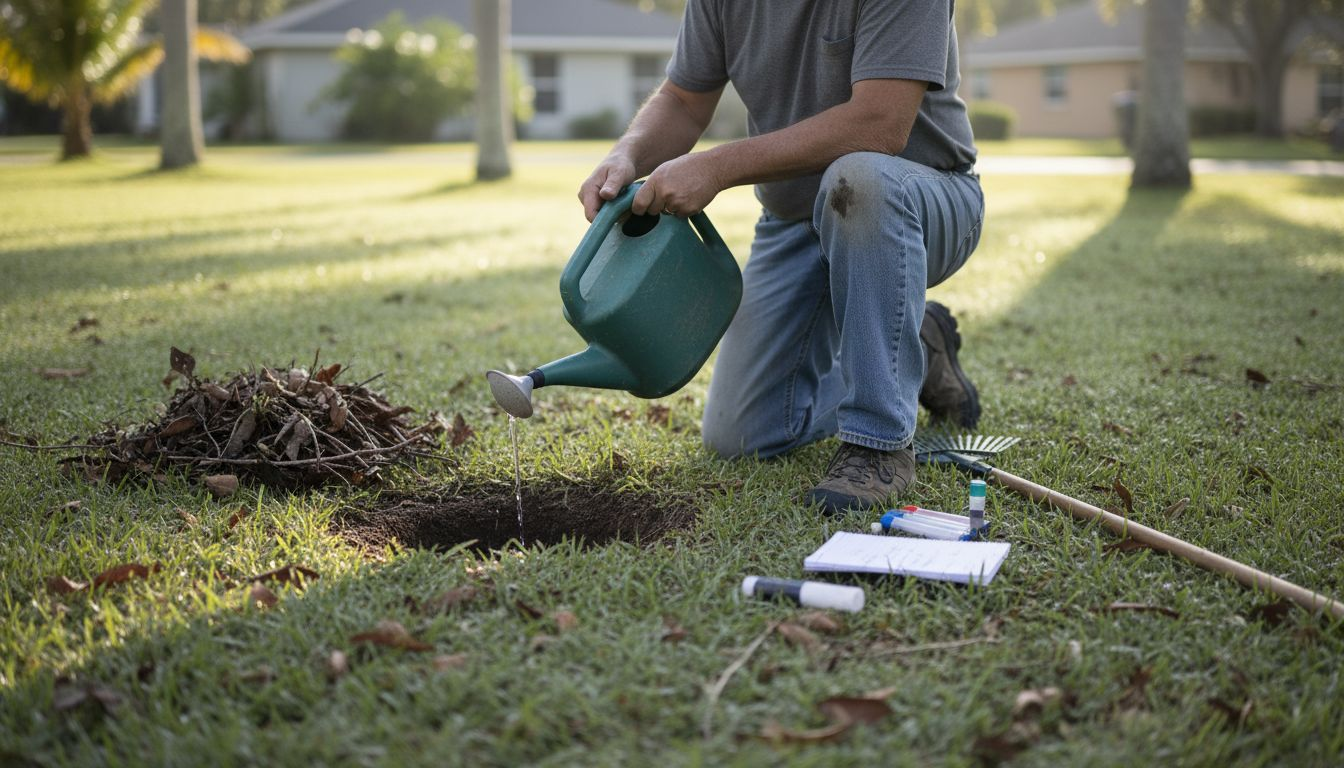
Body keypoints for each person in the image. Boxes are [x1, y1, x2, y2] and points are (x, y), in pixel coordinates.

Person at [578, 1, 983, 514]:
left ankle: (878, 443)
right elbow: (682, 100)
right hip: (794, 221)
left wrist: (716, 167)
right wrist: (627, 154)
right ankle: (913, 347)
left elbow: (879, 124)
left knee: (860, 176)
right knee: (742, 434)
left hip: (918, 200)